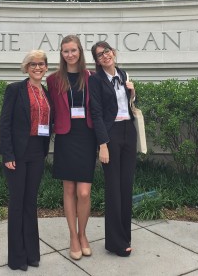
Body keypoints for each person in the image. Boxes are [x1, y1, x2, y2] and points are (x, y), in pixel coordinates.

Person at [0, 50, 52, 271]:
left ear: (46, 67)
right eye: (33, 64)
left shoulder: (46, 92)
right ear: (26, 67)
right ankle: (17, 258)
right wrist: (8, 154)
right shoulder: (15, 90)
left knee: (31, 202)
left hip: (37, 153)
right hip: (17, 155)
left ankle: (32, 254)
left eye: (41, 64)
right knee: (17, 203)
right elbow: (5, 123)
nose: (37, 68)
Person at [46, 35, 97, 260]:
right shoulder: (54, 79)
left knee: (84, 192)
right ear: (61, 53)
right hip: (66, 136)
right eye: (65, 51)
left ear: (80, 51)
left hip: (87, 136)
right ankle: (73, 237)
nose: (70, 55)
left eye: (73, 50)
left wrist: (130, 91)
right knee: (68, 190)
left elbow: (104, 104)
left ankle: (83, 233)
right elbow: (50, 109)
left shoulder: (92, 77)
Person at [88, 41, 137, 257]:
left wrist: (133, 92)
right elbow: (96, 114)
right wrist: (103, 144)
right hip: (111, 134)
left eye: (106, 51)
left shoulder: (123, 73)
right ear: (97, 61)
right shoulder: (96, 80)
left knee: (126, 186)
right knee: (113, 188)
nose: (105, 56)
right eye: (99, 55)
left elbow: (130, 105)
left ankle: (125, 236)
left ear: (113, 52)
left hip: (129, 130)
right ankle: (115, 242)